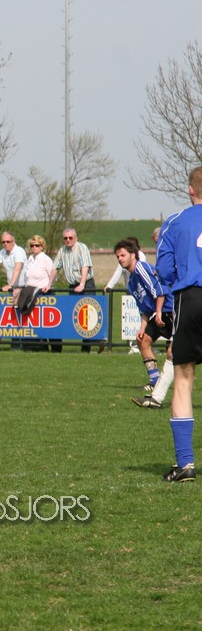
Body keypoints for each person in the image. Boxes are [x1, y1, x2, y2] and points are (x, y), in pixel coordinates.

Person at [155, 167, 202, 482]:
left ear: (190, 190)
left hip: (192, 298)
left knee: (184, 378)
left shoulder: (175, 222)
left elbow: (163, 269)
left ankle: (185, 464)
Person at [115, 238, 174, 410]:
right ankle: (155, 381)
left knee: (177, 352)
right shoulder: (131, 282)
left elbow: (160, 290)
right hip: (158, 313)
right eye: (118, 257)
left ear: (133, 255)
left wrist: (159, 311)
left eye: (123, 255)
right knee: (143, 341)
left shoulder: (141, 268)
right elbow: (144, 309)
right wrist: (141, 328)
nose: (120, 259)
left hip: (169, 311)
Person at [51, 227, 104, 353]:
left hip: (86, 284)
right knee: (73, 315)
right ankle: (94, 341)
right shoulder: (62, 251)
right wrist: (49, 284)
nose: (68, 240)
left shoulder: (82, 248)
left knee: (88, 316)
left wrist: (82, 284)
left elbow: (85, 266)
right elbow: (55, 267)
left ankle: (88, 346)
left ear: (76, 238)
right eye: (65, 238)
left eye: (70, 238)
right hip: (72, 285)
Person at [20, 235, 55, 351]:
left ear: (42, 247)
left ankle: (53, 347)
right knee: (32, 322)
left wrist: (48, 286)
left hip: (43, 294)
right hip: (30, 293)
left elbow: (53, 276)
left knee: (46, 323)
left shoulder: (46, 259)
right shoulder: (29, 259)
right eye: (32, 245)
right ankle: (34, 346)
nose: (34, 247)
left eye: (37, 245)